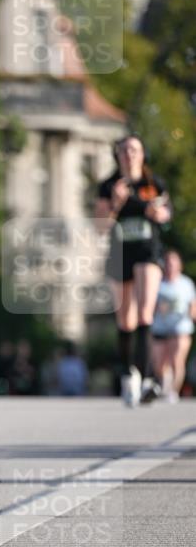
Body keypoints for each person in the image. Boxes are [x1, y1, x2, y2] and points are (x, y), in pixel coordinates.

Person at [95, 134, 171, 407]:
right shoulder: (108, 185)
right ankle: (129, 375)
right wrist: (116, 203)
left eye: (135, 150)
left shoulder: (153, 184)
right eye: (125, 150)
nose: (130, 155)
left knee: (145, 313)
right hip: (119, 253)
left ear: (142, 154)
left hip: (147, 251)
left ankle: (149, 379)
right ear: (118, 155)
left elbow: (166, 215)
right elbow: (100, 226)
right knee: (125, 320)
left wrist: (158, 214)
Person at [151, 249, 196, 402]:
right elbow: (150, 305)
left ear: (179, 265)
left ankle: (173, 392)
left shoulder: (186, 283)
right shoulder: (158, 283)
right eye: (168, 262)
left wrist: (191, 316)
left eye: (173, 262)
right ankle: (165, 386)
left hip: (181, 327)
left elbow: (193, 306)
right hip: (160, 327)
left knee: (177, 359)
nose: (170, 266)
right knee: (160, 364)